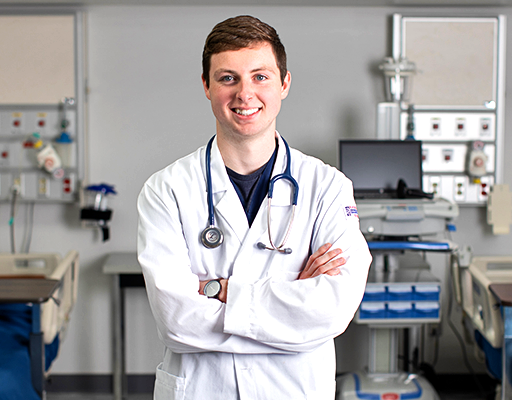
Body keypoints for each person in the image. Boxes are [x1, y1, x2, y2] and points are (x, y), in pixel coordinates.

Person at [137, 15, 372, 400]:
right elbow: (176, 322)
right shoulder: (167, 190)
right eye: (228, 78)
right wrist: (290, 304)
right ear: (207, 87)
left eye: (260, 77)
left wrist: (218, 291)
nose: (245, 94)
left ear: (284, 84)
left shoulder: (327, 187)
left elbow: (332, 309)